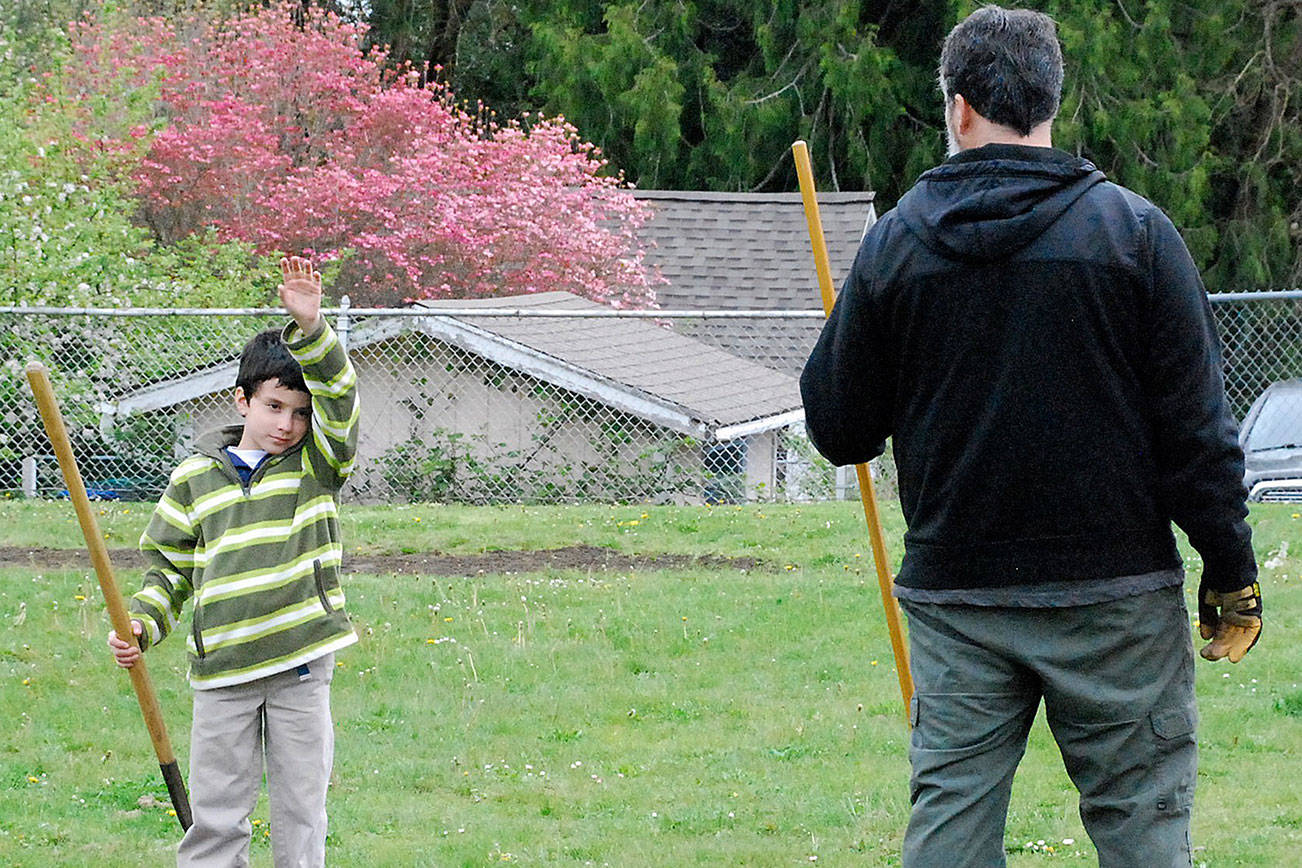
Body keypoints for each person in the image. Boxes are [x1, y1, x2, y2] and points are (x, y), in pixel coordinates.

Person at [799, 6, 1261, 866]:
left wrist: (867, 327)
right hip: (1116, 601)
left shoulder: (897, 246)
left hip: (960, 598)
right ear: (1052, 100)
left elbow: (836, 426)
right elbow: (1199, 437)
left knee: (950, 831)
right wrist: (1230, 575)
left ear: (959, 109)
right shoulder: (1136, 237)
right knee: (1144, 829)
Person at [108, 255, 360, 867]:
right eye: (275, 407)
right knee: (217, 813)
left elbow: (341, 402)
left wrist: (313, 328)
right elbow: (170, 569)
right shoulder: (196, 479)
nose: (288, 424)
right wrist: (142, 624)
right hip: (221, 669)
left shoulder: (317, 466)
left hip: (300, 661)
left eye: (300, 413)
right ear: (242, 400)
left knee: (302, 810)